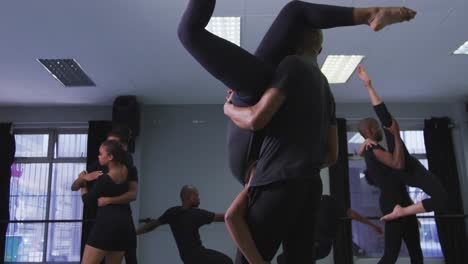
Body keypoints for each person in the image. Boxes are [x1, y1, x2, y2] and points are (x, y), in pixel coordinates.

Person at [178, 0, 416, 184]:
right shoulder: (317, 87)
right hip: (256, 165)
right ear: (319, 49)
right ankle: (370, 15)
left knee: (294, 11)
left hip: (253, 161)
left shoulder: (290, 74)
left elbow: (255, 120)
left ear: (288, 44)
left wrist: (228, 108)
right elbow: (331, 156)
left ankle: (370, 14)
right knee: (294, 11)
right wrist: (289, 165)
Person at [356, 64, 448, 221]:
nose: (380, 127)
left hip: (407, 176)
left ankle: (404, 211)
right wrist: (397, 136)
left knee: (441, 200)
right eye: (377, 127)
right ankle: (403, 211)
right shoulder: (387, 136)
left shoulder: (370, 145)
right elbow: (399, 164)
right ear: (372, 131)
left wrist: (368, 86)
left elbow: (381, 112)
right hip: (411, 170)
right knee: (442, 199)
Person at [71, 130, 139, 264]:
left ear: (111, 154)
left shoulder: (112, 175)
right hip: (121, 223)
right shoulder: (117, 169)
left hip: (108, 223)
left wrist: (85, 185)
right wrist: (82, 178)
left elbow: (132, 194)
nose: (99, 155)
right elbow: (74, 186)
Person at [137, 185, 232, 264]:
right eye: (197, 196)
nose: (199, 199)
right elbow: (225, 217)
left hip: (187, 259)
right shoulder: (197, 214)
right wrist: (240, 216)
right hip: (199, 255)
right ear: (190, 197)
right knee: (227, 262)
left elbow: (153, 225)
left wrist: (135, 233)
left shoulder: (172, 213)